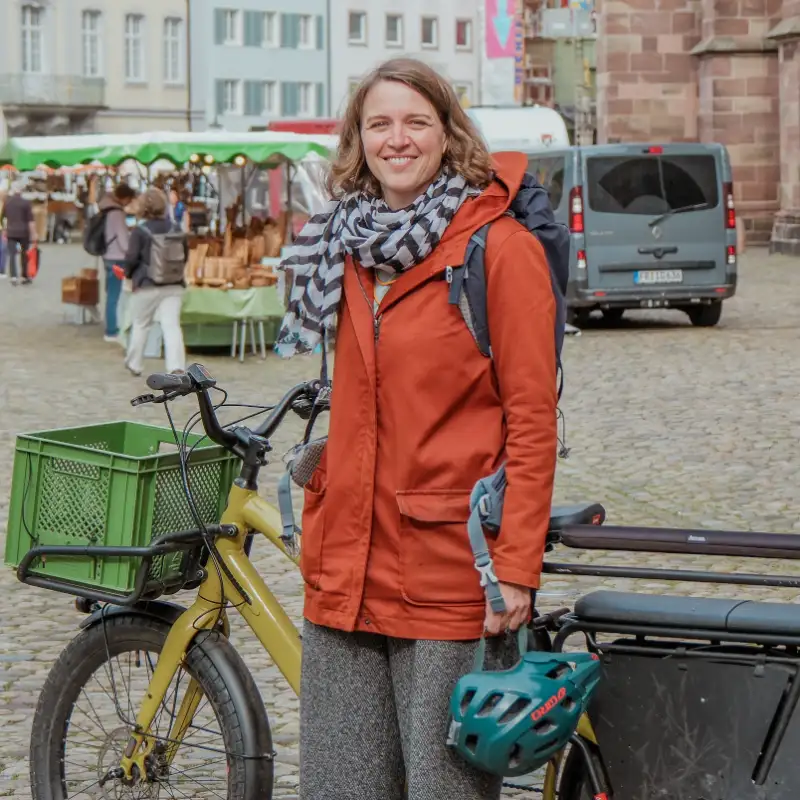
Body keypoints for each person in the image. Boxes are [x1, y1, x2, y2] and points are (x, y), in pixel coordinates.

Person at [276, 58, 559, 800]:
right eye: (379, 124)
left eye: (415, 122)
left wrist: (519, 567)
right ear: (357, 139)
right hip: (346, 566)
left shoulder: (497, 249)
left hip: (449, 572)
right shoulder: (344, 248)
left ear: (447, 132)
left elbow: (532, 419)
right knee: (341, 787)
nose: (396, 139)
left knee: (445, 791)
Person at [119, 188, 187, 377]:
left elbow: (131, 258)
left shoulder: (140, 231)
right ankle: (176, 366)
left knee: (141, 323)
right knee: (171, 325)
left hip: (147, 284)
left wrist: (129, 275)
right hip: (174, 283)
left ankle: (135, 363)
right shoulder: (176, 228)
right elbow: (185, 255)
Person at [99, 183, 137, 342]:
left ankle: (111, 326)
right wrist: (132, 252)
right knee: (116, 295)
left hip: (108, 255)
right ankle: (112, 330)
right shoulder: (117, 213)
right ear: (125, 197)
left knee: (111, 293)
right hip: (118, 257)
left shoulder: (106, 209)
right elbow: (122, 240)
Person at [0, 182, 37, 285]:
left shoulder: (7, 202)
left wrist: (4, 230)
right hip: (24, 232)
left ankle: (13, 276)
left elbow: (3, 218)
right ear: (22, 190)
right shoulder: (26, 203)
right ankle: (24, 276)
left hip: (11, 232)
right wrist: (34, 233)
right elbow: (30, 220)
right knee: (24, 254)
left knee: (12, 254)